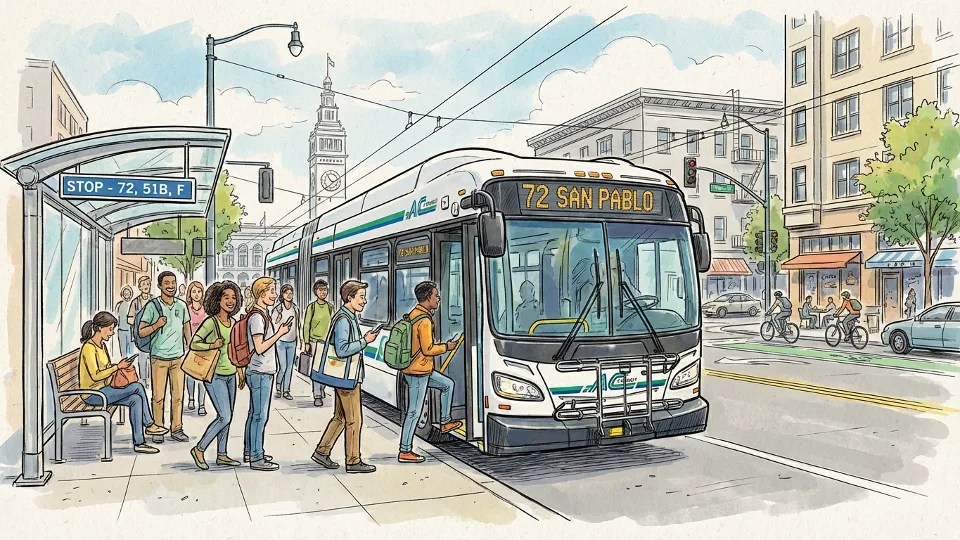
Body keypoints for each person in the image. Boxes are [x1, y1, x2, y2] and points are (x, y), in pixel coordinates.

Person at [311, 280, 378, 474]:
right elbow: (341, 350)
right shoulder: (344, 319)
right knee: (354, 420)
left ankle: (322, 452)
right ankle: (353, 460)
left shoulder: (347, 316)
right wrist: (365, 341)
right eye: (361, 297)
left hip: (346, 376)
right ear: (350, 297)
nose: (365, 301)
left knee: (340, 417)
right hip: (347, 379)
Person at [79, 311, 167, 454]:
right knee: (137, 387)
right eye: (110, 329)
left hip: (104, 389)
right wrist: (117, 367)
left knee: (135, 399)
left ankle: (139, 443)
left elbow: (106, 370)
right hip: (93, 394)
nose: (112, 333)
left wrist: (121, 368)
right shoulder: (89, 347)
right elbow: (95, 376)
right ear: (99, 328)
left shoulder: (101, 346)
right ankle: (150, 424)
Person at [398, 281, 463, 464]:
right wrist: (447, 347)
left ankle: (444, 421)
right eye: (436, 295)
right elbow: (427, 349)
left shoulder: (415, 314)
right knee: (414, 412)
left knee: (447, 385)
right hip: (418, 371)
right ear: (427, 298)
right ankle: (405, 450)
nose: (438, 298)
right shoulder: (424, 320)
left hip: (419, 368)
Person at [189, 281, 243, 470]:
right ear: (217, 299)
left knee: (228, 416)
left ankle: (222, 454)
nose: (230, 301)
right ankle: (199, 448)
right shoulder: (211, 322)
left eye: (234, 298)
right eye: (226, 297)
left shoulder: (235, 323)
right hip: (214, 375)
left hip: (231, 375)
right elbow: (194, 344)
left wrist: (240, 371)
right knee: (224, 416)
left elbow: (236, 350)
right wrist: (212, 345)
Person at [243, 277, 291, 471]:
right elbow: (260, 347)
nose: (274, 294)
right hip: (260, 370)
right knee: (259, 416)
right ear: (261, 293)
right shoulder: (257, 317)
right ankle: (256, 456)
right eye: (271, 291)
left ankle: (250, 451)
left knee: (254, 413)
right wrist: (280, 333)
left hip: (259, 370)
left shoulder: (262, 314)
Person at [138, 271, 191, 444]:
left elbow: (187, 330)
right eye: (167, 283)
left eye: (173, 283)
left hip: (178, 358)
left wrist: (190, 348)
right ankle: (158, 428)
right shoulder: (153, 306)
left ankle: (177, 428)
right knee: (158, 396)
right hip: (158, 357)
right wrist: (156, 325)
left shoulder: (182, 306)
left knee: (178, 396)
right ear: (160, 286)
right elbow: (141, 330)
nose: (171, 286)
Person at [303, 279, 335, 407]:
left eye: (325, 290)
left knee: (325, 370)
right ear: (315, 292)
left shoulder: (330, 307)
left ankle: (321, 390)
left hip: (327, 343)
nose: (323, 292)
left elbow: (333, 324)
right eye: (320, 290)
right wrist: (306, 342)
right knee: (316, 370)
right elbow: (306, 325)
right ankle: (317, 395)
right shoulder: (311, 307)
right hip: (315, 343)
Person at [272, 284, 301, 401]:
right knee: (283, 367)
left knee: (290, 367)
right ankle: (278, 386)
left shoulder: (295, 308)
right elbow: (273, 325)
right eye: (286, 293)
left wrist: (300, 340)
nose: (289, 295)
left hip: (292, 341)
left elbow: (298, 325)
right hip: (280, 342)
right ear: (282, 295)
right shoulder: (278, 309)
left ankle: (286, 390)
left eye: (290, 293)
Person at [184, 281, 208, 416]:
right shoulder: (186, 309)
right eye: (194, 291)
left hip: (204, 347)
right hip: (190, 346)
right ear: (190, 294)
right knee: (190, 375)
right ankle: (191, 399)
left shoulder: (206, 309)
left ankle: (202, 404)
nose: (196, 294)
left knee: (202, 377)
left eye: (199, 291)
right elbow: (184, 327)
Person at [128, 275, 154, 391]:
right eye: (143, 285)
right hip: (140, 334)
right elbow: (129, 319)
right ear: (139, 287)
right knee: (142, 357)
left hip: (153, 334)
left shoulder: (153, 300)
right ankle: (143, 379)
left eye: (147, 284)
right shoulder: (135, 302)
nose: (146, 287)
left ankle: (151, 379)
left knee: (152, 357)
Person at [114, 286, 135, 358]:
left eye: (128, 293)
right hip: (121, 330)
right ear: (122, 294)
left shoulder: (132, 304)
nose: (126, 294)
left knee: (130, 350)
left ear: (131, 294)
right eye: (125, 293)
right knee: (123, 350)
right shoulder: (119, 305)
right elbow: (116, 316)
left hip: (130, 330)